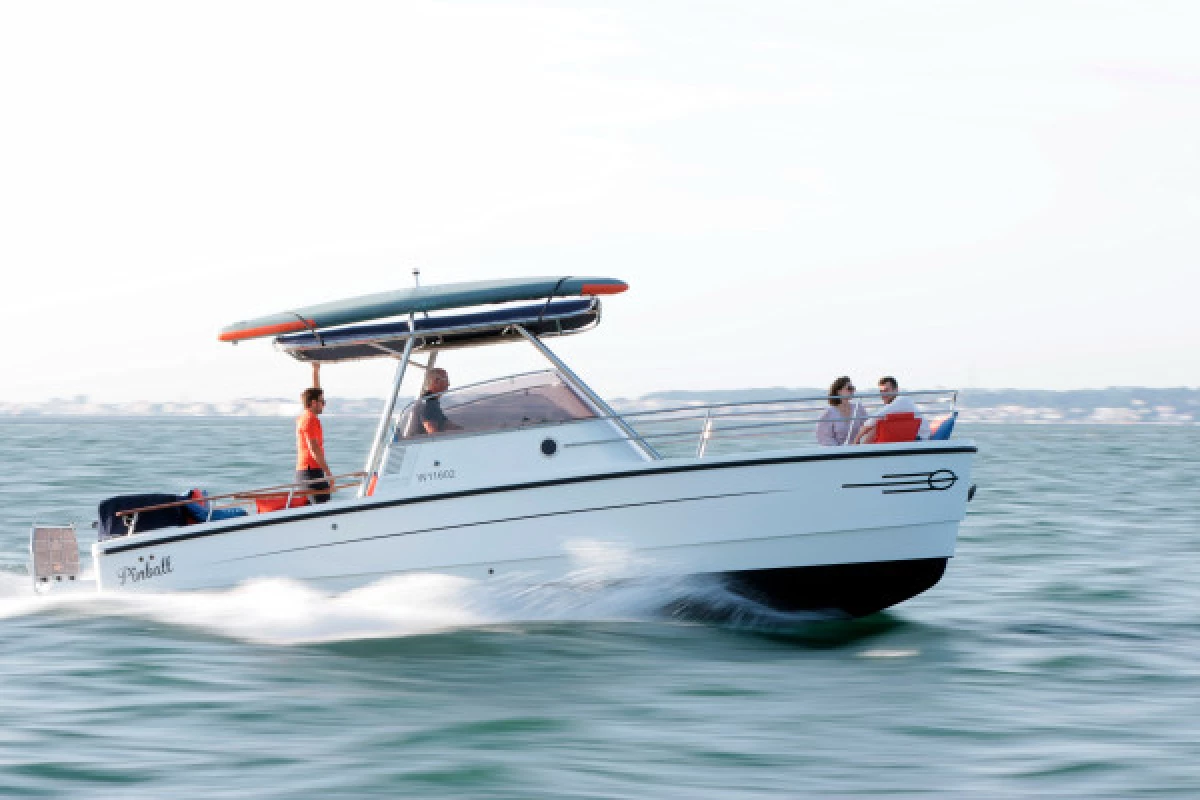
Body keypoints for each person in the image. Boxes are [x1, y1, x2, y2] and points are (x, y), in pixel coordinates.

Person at [296, 363, 334, 503]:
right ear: (313, 403)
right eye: (322, 402)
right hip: (311, 472)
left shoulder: (308, 416)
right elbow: (314, 449)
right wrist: (328, 473)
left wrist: (315, 371)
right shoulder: (309, 420)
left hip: (308, 472)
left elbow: (316, 390)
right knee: (324, 508)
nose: (324, 404)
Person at [854, 375, 928, 444]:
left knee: (875, 425)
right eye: (881, 392)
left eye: (886, 390)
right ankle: (864, 451)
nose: (883, 394)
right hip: (910, 437)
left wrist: (857, 437)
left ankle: (863, 451)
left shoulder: (902, 401)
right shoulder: (894, 404)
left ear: (896, 390)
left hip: (920, 438)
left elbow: (875, 418)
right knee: (877, 425)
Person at [816, 376, 866, 446]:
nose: (852, 391)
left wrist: (864, 445)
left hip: (856, 450)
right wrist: (840, 450)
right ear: (839, 391)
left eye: (853, 388)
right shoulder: (829, 413)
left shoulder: (858, 408)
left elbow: (868, 427)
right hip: (838, 453)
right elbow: (824, 438)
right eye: (849, 388)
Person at [418, 368, 463, 434]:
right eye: (446, 380)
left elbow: (446, 423)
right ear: (436, 381)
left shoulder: (432, 401)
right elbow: (432, 433)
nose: (448, 384)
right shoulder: (427, 403)